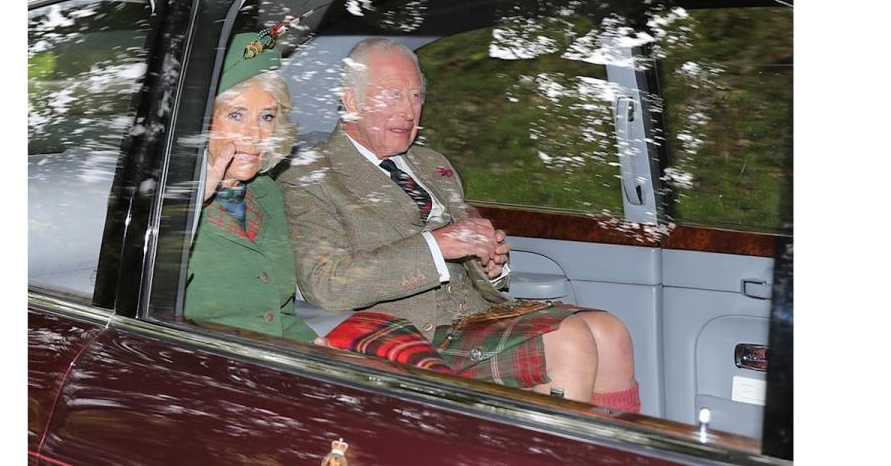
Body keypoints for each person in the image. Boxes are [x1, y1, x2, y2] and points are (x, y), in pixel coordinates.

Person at [280, 38, 641, 412]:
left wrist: (492, 264)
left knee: (610, 332)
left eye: (416, 96)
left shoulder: (432, 164)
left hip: (474, 318)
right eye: (393, 95)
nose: (409, 111)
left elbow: (470, 262)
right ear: (351, 101)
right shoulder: (312, 176)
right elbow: (326, 283)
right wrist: (438, 246)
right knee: (569, 340)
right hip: (408, 333)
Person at [184, 33, 454, 374]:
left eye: (267, 117)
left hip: (273, 363)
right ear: (201, 122)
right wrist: (192, 201)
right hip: (203, 370)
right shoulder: (169, 206)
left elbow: (279, 313)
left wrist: (313, 349)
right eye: (236, 115)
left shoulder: (265, 194)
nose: (255, 134)